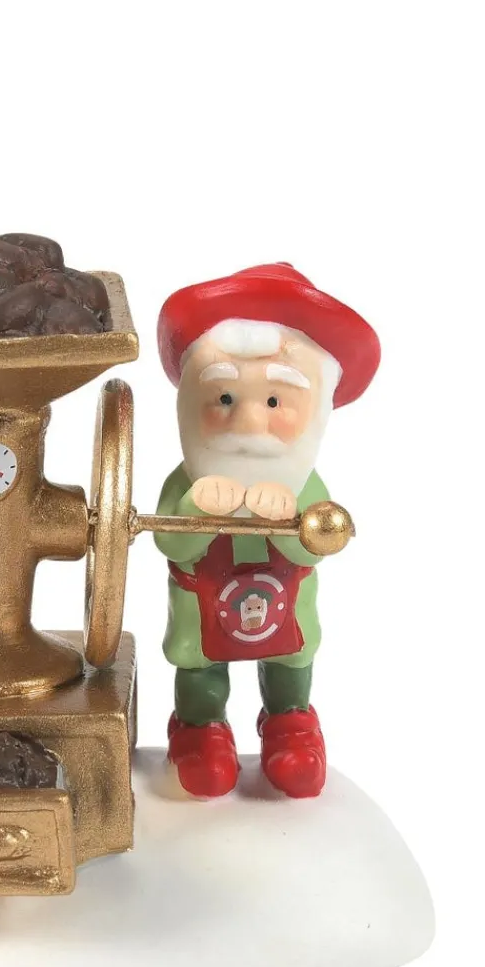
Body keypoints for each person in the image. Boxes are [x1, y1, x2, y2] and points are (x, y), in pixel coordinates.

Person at [153, 263, 380, 798]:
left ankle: (291, 723)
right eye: (224, 399)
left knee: (290, 659)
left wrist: (289, 523)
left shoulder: (307, 486)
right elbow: (170, 540)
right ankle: (201, 729)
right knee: (200, 663)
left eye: (275, 402)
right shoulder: (186, 482)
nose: (249, 425)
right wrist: (196, 508)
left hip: (286, 605)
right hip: (205, 606)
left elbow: (314, 546)